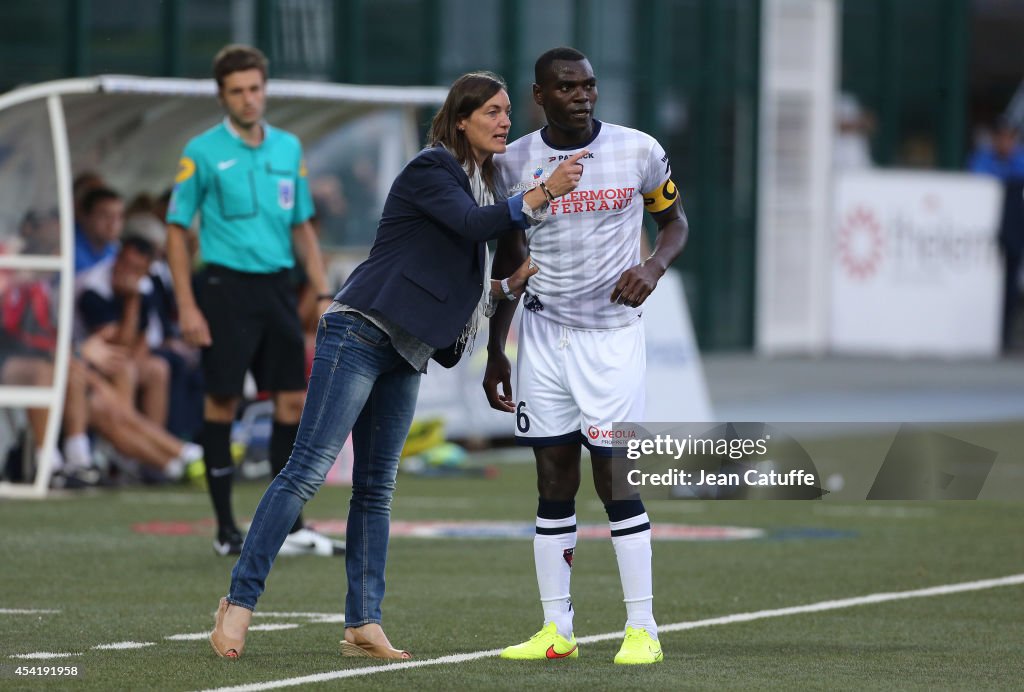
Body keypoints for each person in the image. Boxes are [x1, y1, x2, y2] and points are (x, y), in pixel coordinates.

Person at [208, 70, 586, 661]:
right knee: (305, 473)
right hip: (360, 330)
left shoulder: (483, 183)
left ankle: (363, 621)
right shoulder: (432, 168)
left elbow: (449, 270)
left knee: (377, 490)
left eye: (508, 110)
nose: (504, 120)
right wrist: (543, 193)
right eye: (491, 111)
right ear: (460, 119)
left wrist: (503, 284)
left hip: (408, 348)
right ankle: (238, 602)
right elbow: (469, 228)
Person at [483, 47, 689, 665]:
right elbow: (509, 260)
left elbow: (675, 222)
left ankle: (643, 628)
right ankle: (556, 631)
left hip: (612, 338)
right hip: (543, 338)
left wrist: (653, 267)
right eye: (567, 87)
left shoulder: (638, 150)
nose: (582, 95)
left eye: (590, 85)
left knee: (615, 477)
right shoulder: (513, 161)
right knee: (552, 481)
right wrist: (497, 347)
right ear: (539, 94)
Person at [165, 44, 340, 557]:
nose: (248, 99)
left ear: (265, 89)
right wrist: (187, 305)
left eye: (255, 88)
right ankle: (225, 530)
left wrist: (323, 289)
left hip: (278, 288)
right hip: (223, 289)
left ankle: (290, 525)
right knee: (222, 401)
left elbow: (302, 226)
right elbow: (177, 231)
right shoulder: (200, 152)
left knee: (291, 401)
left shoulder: (287, 148)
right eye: (237, 91)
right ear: (222, 95)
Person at [969, 118, 1024, 351]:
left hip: (1014, 233)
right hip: (979, 236)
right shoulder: (982, 158)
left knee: (1011, 286)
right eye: (1000, 137)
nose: (1004, 143)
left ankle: (1006, 336)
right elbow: (976, 175)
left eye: (1009, 138)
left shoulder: (1019, 160)